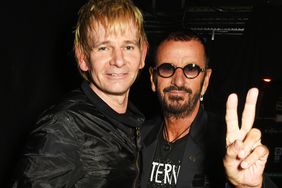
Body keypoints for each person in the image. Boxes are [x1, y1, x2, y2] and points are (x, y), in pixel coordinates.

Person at [12, 0, 148, 187]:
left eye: (128, 47)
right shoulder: (64, 126)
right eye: (104, 48)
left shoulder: (136, 119)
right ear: (83, 58)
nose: (118, 60)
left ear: (143, 55)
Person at [140, 31, 278, 188]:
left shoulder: (228, 144)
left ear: (205, 81)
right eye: (166, 68)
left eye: (191, 69)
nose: (178, 80)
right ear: (153, 78)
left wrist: (249, 187)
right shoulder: (136, 136)